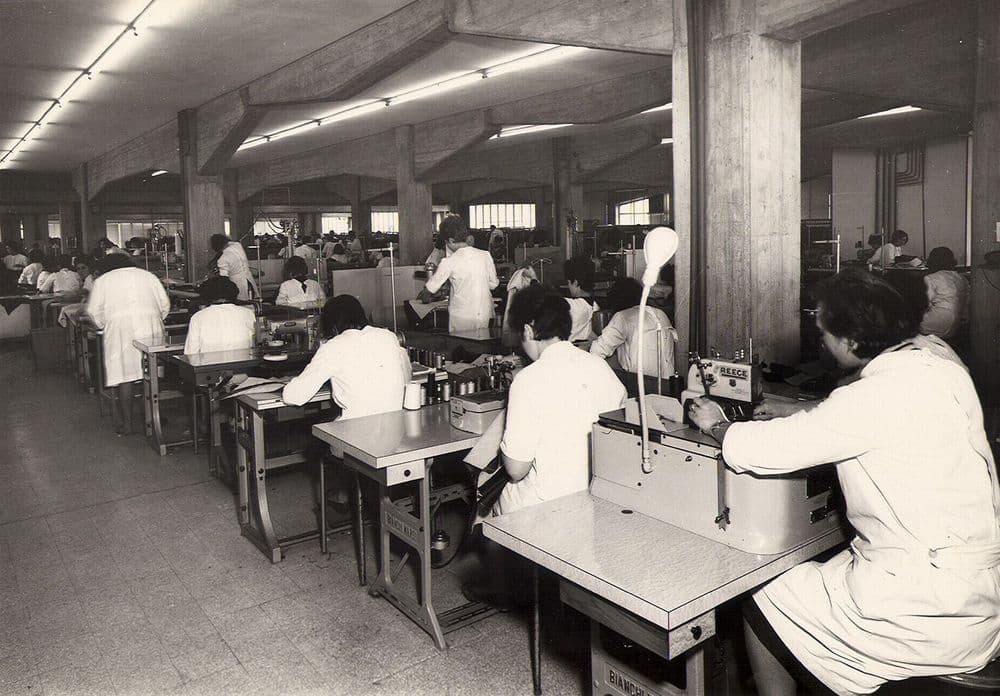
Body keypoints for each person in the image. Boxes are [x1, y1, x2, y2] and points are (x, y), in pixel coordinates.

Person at [688, 268, 1000, 696]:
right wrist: (805, 412)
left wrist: (716, 424)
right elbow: (866, 423)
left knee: (761, 591)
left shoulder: (871, 397)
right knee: (821, 570)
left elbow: (770, 450)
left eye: (824, 333)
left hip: (925, 614)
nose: (821, 342)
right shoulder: (938, 366)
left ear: (851, 341)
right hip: (976, 592)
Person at [493, 284, 626, 515]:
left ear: (528, 331)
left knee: (484, 500)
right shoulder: (602, 368)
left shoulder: (528, 380)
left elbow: (516, 469)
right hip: (598, 498)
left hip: (546, 506)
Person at [282, 294, 411, 420]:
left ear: (333, 327)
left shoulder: (334, 346)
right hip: (394, 427)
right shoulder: (388, 336)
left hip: (356, 430)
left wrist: (287, 385)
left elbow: (294, 397)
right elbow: (407, 377)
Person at [86, 254, 170, 435]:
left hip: (120, 332)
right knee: (151, 373)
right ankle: (153, 418)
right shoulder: (148, 276)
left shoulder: (103, 281)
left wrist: (104, 325)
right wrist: (155, 319)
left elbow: (93, 312)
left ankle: (128, 425)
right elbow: (164, 305)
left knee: (125, 377)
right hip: (150, 327)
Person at [419, 214, 499, 332]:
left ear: (450, 240)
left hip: (462, 317)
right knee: (483, 342)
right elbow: (493, 284)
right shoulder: (485, 255)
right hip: (484, 313)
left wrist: (424, 297)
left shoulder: (449, 262)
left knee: (462, 343)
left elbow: (429, 291)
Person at [590, 277, 675, 378]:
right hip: (668, 380)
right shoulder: (660, 313)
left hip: (641, 383)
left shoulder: (623, 316)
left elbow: (596, 352)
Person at [184, 277, 256, 355]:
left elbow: (191, 353)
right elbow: (253, 345)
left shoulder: (198, 317)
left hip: (210, 362)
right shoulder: (248, 313)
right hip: (244, 362)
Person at [920, 246, 969, 340]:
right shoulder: (962, 278)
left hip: (937, 323)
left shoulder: (931, 278)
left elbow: (924, 305)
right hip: (955, 326)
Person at [210, 233, 257, 302]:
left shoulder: (223, 259)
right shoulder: (237, 245)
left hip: (237, 286)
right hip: (249, 281)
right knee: (252, 303)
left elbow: (224, 279)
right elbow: (230, 243)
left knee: (242, 304)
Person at [563, 256, 597, 343]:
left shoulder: (574, 306)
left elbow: (546, 300)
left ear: (575, 282)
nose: (568, 287)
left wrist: (534, 279)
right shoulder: (593, 304)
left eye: (568, 283)